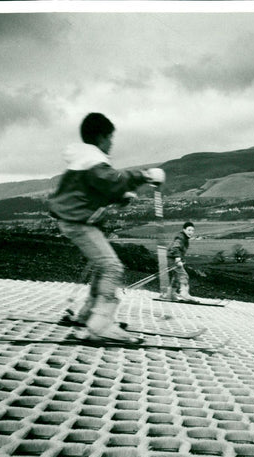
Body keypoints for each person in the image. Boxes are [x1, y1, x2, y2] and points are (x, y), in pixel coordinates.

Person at [49, 112, 164, 343]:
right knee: (112, 268)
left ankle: (88, 316)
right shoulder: (93, 161)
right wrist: (145, 175)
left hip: (74, 220)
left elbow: (96, 191)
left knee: (103, 268)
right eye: (110, 137)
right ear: (101, 137)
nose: (112, 143)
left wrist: (121, 197)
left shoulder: (84, 161)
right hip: (78, 223)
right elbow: (113, 180)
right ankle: (100, 325)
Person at [164, 222, 196, 301]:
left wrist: (181, 258)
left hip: (171, 258)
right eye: (189, 230)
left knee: (176, 277)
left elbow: (180, 250)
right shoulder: (181, 237)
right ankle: (184, 294)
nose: (191, 232)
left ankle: (170, 294)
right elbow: (176, 247)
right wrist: (177, 258)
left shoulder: (184, 238)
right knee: (183, 275)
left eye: (192, 230)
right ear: (184, 230)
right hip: (172, 259)